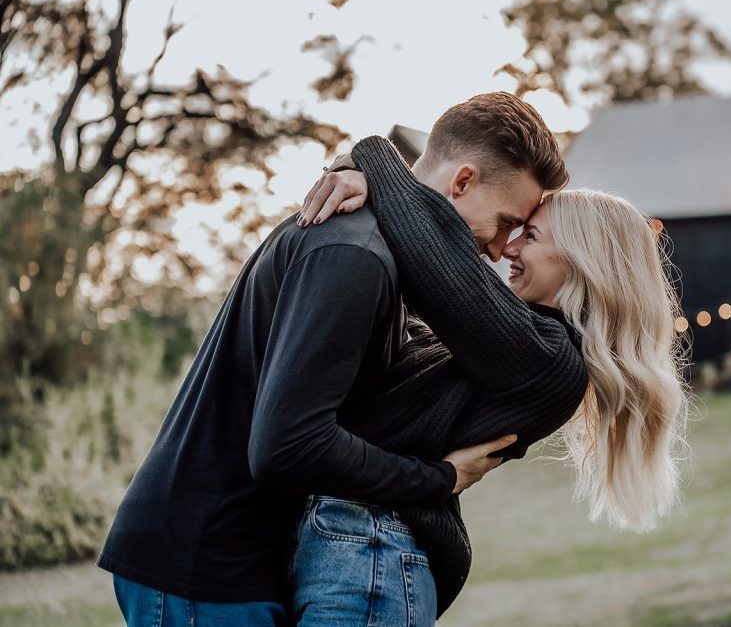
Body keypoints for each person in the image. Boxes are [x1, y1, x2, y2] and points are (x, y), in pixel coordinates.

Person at [96, 92, 569, 627]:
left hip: (236, 560)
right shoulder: (355, 252)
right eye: (505, 222)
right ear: (462, 182)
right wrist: (438, 479)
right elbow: (289, 445)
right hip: (205, 565)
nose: (499, 249)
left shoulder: (376, 248)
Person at [291, 132, 692, 623]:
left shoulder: (547, 358)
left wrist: (371, 155)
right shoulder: (512, 342)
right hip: (357, 547)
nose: (508, 249)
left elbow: (433, 254)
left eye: (531, 236)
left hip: (370, 554)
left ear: (583, 262)